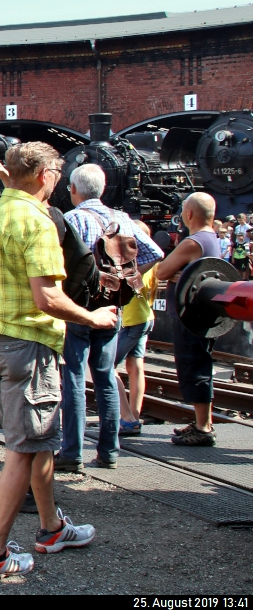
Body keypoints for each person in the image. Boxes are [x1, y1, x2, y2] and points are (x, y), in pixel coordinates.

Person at [0, 142, 112, 582]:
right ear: (47, 176)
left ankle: (51, 529)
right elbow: (46, 297)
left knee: (42, 437)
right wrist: (94, 316)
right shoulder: (38, 221)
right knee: (22, 448)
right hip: (27, 343)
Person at [56, 163, 163, 472]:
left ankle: (72, 452)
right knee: (105, 376)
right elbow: (155, 253)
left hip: (80, 308)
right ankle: (109, 451)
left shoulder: (72, 219)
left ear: (74, 190)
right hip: (113, 307)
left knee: (74, 377)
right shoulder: (123, 220)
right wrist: (128, 282)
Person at [155, 192, 222, 447]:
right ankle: (202, 421)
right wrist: (184, 273)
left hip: (189, 314)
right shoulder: (212, 238)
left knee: (194, 366)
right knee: (200, 364)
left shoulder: (192, 243)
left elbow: (162, 270)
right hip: (204, 314)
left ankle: (203, 427)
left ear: (189, 214)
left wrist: (179, 273)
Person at [116, 220, 158, 437]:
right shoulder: (152, 265)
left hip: (132, 321)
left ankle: (127, 418)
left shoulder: (133, 267)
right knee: (135, 366)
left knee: (107, 366)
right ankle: (134, 413)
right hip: (146, 317)